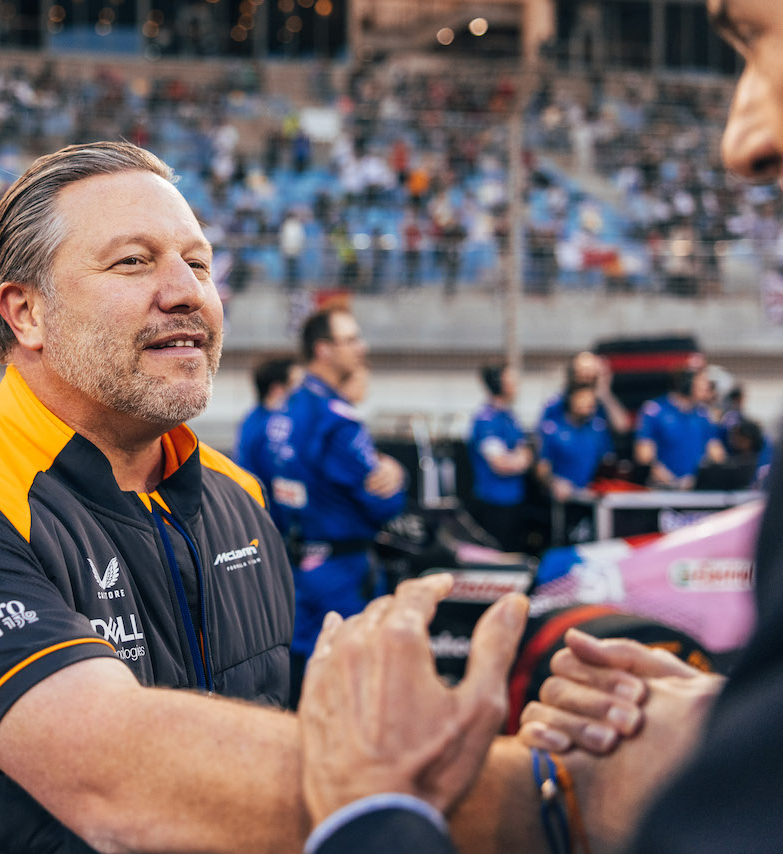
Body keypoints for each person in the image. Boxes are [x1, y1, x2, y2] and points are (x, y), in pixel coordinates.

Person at [0, 141, 551, 854]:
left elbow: (251, 756)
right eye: (133, 262)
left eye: (200, 263)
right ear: (25, 312)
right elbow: (118, 774)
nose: (187, 292)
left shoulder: (238, 498)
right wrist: (549, 790)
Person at [300, 1, 783, 850]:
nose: (739, 143)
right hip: (369, 561)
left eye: (756, 39)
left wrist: (370, 809)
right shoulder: (332, 418)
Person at [268, 306, 406, 706]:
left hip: (296, 569)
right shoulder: (338, 421)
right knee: (348, 691)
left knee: (301, 681)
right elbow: (384, 504)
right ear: (324, 350)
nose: (361, 348)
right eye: (350, 340)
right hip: (343, 576)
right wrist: (397, 475)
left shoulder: (286, 411)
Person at [467, 362, 532, 552]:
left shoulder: (509, 416)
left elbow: (525, 453)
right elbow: (500, 464)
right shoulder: (486, 419)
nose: (515, 384)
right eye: (510, 379)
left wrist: (519, 459)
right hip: (493, 502)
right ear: (498, 383)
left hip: (513, 500)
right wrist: (519, 459)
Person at [633, 366, 725, 489]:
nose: (707, 386)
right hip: (663, 489)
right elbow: (644, 457)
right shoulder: (654, 410)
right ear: (686, 384)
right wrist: (674, 483)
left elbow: (717, 453)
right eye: (701, 382)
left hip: (696, 488)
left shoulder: (703, 414)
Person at [234, 353, 297, 522]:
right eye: (297, 387)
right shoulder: (273, 430)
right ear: (277, 390)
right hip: (272, 521)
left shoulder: (252, 419)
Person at [537, 381, 613, 502]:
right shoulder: (552, 429)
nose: (589, 402)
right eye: (582, 397)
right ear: (570, 400)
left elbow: (607, 460)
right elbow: (542, 469)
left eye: (591, 398)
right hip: (563, 499)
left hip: (592, 498)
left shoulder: (598, 428)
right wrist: (554, 483)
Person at [538, 350, 629, 436]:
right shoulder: (557, 404)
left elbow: (622, 427)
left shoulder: (600, 404)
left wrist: (605, 393)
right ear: (573, 374)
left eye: (591, 373)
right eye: (582, 373)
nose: (586, 377)